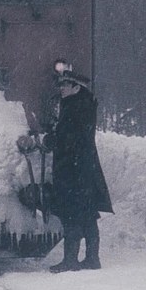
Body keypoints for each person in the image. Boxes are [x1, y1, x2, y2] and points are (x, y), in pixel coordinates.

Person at [45, 70, 113, 272]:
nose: (61, 88)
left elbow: (69, 139)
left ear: (76, 87)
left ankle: (70, 260)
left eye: (65, 85)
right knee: (88, 214)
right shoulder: (83, 104)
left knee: (71, 214)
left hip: (73, 170)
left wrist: (52, 139)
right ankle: (92, 258)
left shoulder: (75, 107)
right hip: (83, 168)